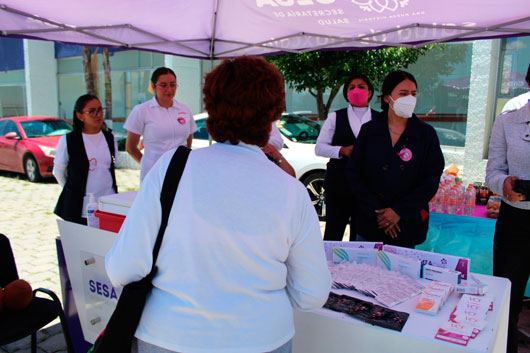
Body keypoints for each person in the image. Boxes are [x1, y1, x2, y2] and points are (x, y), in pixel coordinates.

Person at [105, 56, 331, 353]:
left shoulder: (171, 168)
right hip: (262, 339)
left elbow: (122, 268)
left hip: (170, 336)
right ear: (273, 114)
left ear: (210, 107)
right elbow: (311, 294)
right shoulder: (292, 191)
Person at [346, 70, 444, 248]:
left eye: (413, 94)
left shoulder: (425, 134)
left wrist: (398, 211)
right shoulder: (369, 131)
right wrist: (380, 213)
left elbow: (431, 178)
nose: (410, 99)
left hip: (406, 223)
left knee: (401, 275)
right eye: (403, 94)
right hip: (371, 221)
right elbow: (353, 173)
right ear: (386, 98)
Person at [485, 102, 530, 353]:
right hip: (515, 222)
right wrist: (504, 184)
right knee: (507, 303)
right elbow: (493, 171)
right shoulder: (507, 121)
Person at [315, 73, 378, 241]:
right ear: (346, 93)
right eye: (352, 87)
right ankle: (328, 265)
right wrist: (341, 150)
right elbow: (319, 148)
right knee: (334, 230)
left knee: (361, 233)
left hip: (368, 184)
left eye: (361, 87)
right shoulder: (336, 116)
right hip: (339, 182)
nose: (357, 90)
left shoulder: (380, 118)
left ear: (370, 92)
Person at [53, 94, 118, 225]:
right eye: (92, 111)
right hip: (80, 207)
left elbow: (112, 165)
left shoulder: (110, 138)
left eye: (100, 110)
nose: (98, 114)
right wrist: (72, 191)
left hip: (108, 203)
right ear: (80, 116)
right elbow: (58, 171)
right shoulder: (69, 140)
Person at [124, 67, 197, 182]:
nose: (169, 89)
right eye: (163, 85)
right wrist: (148, 164)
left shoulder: (184, 109)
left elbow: (188, 138)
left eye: (173, 85)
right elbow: (130, 147)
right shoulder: (142, 110)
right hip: (153, 173)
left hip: (180, 171)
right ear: (153, 87)